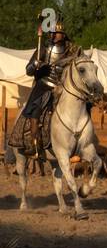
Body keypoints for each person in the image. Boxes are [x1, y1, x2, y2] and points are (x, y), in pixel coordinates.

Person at [10, 21, 74, 155]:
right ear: (50, 34)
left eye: (59, 33)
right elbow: (28, 70)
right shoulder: (42, 50)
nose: (56, 35)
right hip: (43, 86)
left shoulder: (69, 52)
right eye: (54, 33)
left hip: (62, 87)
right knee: (36, 110)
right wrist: (35, 64)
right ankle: (34, 142)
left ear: (63, 35)